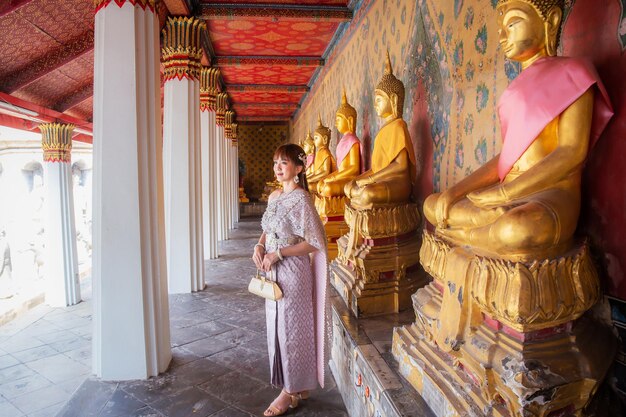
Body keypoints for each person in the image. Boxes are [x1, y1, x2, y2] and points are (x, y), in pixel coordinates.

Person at [423, 0, 613, 260]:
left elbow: (571, 152)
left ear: (552, 20)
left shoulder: (574, 72)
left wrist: (503, 194)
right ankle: (483, 230)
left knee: (517, 228)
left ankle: (465, 234)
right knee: (433, 204)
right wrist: (453, 193)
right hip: (508, 193)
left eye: (513, 23)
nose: (502, 35)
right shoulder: (514, 90)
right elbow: (506, 159)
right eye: (501, 27)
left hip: (551, 193)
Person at [252, 143, 329, 417]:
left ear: (298, 168)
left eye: (283, 163)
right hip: (273, 270)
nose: (277, 168)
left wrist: (278, 253)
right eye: (275, 163)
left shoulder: (302, 200)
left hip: (293, 271)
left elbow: (314, 243)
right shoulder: (274, 197)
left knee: (292, 331)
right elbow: (267, 230)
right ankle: (297, 386)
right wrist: (259, 247)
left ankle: (289, 391)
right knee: (277, 329)